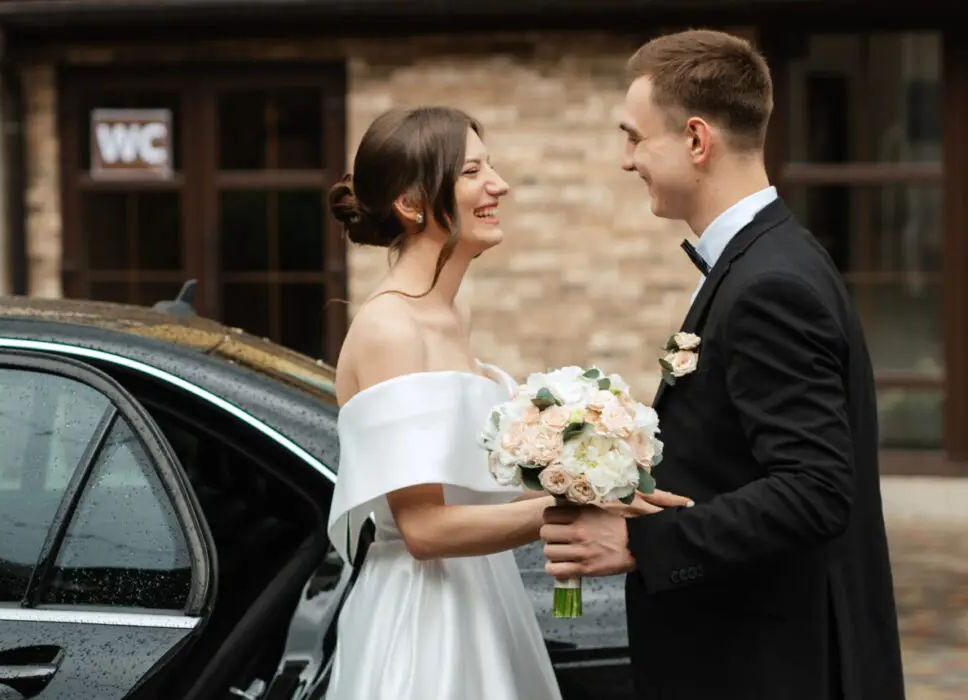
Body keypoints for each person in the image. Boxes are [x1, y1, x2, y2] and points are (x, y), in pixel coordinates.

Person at [538, 29, 906, 700]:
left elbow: (815, 488)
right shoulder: (768, 259)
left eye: (635, 137)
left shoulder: (771, 284)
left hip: (766, 666)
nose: (626, 161)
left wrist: (641, 544)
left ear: (696, 140)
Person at [325, 106, 562, 700]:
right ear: (411, 203)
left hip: (483, 596)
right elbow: (424, 529)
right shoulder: (390, 328)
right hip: (423, 616)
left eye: (492, 167)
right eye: (473, 171)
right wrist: (564, 509)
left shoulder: (454, 312)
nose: (498, 185)